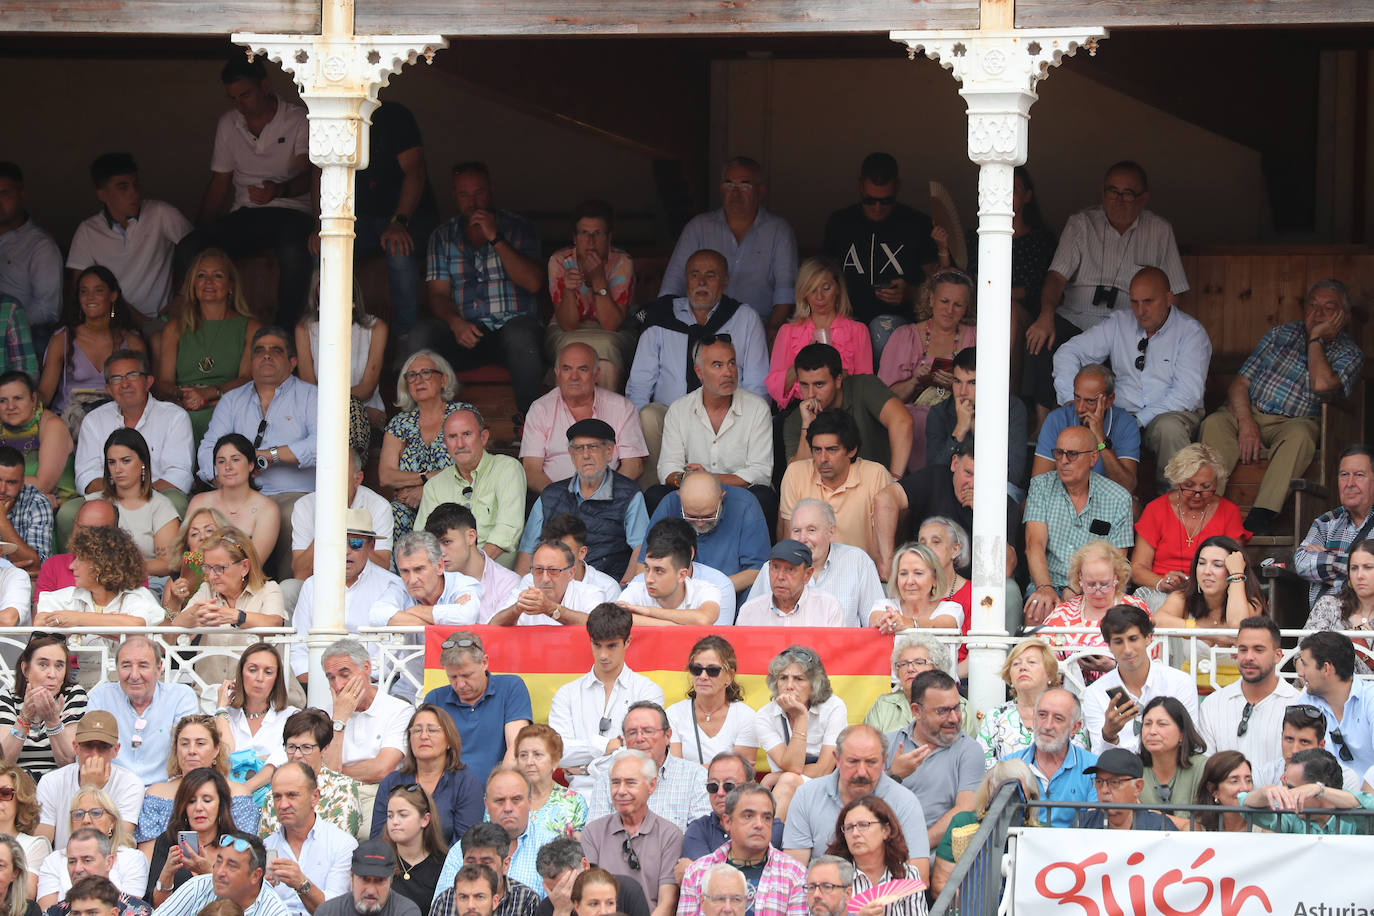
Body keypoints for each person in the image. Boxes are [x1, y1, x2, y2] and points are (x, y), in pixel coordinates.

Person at [1201, 279, 1364, 535]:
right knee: (1214, 423)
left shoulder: (1349, 352)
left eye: (1329, 307)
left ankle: (1260, 517)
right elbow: (1239, 384)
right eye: (1313, 305)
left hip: (1294, 422)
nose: (1318, 313)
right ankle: (1207, 511)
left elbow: (1323, 385)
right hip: (1250, 412)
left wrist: (1316, 340)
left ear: (1345, 316)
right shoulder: (1280, 333)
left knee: (1301, 436)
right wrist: (1246, 423)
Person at [181, 56, 314, 326]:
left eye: (246, 95)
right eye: (234, 98)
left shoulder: (298, 118)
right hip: (246, 214)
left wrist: (279, 190)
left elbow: (309, 176)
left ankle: (284, 333)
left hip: (292, 213)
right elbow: (220, 182)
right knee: (189, 248)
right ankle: (197, 328)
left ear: (265, 86)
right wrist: (199, 229)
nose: (241, 105)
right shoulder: (229, 123)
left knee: (294, 251)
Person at [1053, 267, 1210, 478]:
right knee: (1092, 419)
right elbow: (1068, 352)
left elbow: (1187, 394)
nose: (1140, 310)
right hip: (1121, 414)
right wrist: (1068, 400)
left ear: (1168, 298)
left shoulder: (1191, 332)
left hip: (1171, 413)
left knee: (1168, 428)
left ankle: (1174, 502)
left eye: (1148, 301)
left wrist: (1137, 421)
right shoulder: (1120, 322)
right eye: (1134, 302)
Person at [628, 250, 769, 484]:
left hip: (727, 417)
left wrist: (744, 419)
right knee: (647, 415)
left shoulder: (744, 318)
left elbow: (757, 385)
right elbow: (639, 385)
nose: (701, 282)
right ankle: (657, 494)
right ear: (686, 279)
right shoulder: (661, 316)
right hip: (672, 418)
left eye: (710, 275)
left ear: (725, 282)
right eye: (695, 274)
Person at [420, 161, 545, 414]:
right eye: (464, 195)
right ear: (454, 196)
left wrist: (495, 237)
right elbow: (438, 294)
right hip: (464, 331)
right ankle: (419, 426)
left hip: (511, 328)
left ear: (491, 191)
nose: (473, 202)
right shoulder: (442, 236)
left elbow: (533, 282)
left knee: (522, 337)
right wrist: (455, 322)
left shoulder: (518, 227)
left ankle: (530, 427)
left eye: (479, 193)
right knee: (420, 336)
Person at [1027, 161, 1187, 348]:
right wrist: (1045, 315)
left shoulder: (1159, 230)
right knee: (1038, 342)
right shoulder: (1080, 224)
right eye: (1113, 191)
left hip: (1130, 327)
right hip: (1074, 321)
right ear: (1103, 193)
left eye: (1127, 194)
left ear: (1143, 198)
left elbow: (1175, 292)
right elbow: (1056, 277)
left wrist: (1160, 333)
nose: (1118, 200)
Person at [197, 326, 318, 572]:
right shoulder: (232, 399)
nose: (266, 355)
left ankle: (285, 593)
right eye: (259, 350)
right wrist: (228, 477)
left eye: (276, 351)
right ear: (251, 361)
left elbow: (324, 444)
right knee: (202, 514)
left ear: (292, 362)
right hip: (238, 492)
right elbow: (208, 447)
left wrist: (270, 455)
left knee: (292, 516)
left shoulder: (311, 396)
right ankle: (207, 593)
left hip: (292, 493)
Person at [64, 350, 193, 548]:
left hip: (156, 493)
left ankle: (171, 569)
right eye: (116, 378)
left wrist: (137, 495)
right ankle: (77, 570)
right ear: (108, 388)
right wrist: (120, 495)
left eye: (132, 375)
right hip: (108, 494)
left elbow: (179, 474)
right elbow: (87, 475)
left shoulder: (174, 416)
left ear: (148, 381)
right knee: (68, 512)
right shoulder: (94, 420)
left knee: (175, 501)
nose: (125, 384)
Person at [659, 157, 797, 335]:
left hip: (757, 329)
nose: (735, 193)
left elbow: (785, 291)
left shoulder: (778, 231)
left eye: (745, 185)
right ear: (721, 190)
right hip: (699, 327)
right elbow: (672, 285)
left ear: (760, 191)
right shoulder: (699, 227)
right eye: (729, 185)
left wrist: (772, 330)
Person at [821, 152, 939, 353]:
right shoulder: (840, 223)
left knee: (881, 330)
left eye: (886, 201)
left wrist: (911, 293)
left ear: (897, 188)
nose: (877, 208)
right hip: (847, 317)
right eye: (869, 200)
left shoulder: (916, 224)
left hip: (898, 322)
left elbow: (938, 283)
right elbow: (820, 276)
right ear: (860, 187)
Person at [781, 726, 928, 882]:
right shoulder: (807, 795)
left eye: (871, 762)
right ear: (836, 759)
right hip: (821, 899)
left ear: (884, 761)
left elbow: (919, 878)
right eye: (853, 762)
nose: (862, 772)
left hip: (884, 902)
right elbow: (793, 875)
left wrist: (868, 904)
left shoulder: (904, 801)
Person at [1022, 425, 1134, 625]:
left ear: (1093, 458)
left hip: (1098, 586)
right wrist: (1045, 587)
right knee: (1038, 608)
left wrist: (1079, 589)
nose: (1063, 461)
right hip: (1049, 583)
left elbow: (1117, 561)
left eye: (1072, 454)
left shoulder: (1118, 498)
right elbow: (1034, 545)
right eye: (1059, 453)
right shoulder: (1041, 486)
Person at [547, 604, 664, 795]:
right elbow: (557, 753)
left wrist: (585, 768)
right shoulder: (566, 693)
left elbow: (642, 755)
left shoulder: (648, 691)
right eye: (597, 645)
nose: (603, 655)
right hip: (579, 799)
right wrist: (605, 746)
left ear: (627, 642)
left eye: (611, 646)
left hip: (632, 796)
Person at [65, 152, 192, 329]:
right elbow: (80, 291)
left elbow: (202, 254)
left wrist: (181, 297)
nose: (134, 193)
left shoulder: (161, 214)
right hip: (114, 325)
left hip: (162, 322)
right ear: (102, 194)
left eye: (135, 184)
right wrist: (132, 317)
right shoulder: (88, 231)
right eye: (123, 187)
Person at [345, 101, 438, 339]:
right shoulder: (335, 115)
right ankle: (331, 334)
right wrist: (319, 226)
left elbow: (415, 171)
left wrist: (399, 222)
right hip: (360, 217)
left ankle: (406, 338)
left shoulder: (393, 115)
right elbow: (319, 174)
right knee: (324, 251)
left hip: (404, 214)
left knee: (399, 251)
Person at [655, 339, 774, 524]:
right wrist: (685, 479)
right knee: (656, 495)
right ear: (699, 372)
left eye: (732, 363)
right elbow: (668, 468)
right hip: (691, 493)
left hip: (738, 495)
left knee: (763, 496)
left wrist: (708, 479)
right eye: (717, 365)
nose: (728, 372)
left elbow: (761, 473)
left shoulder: (757, 408)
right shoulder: (679, 409)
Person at [516, 418, 647, 581]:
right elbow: (528, 550)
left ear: (609, 452)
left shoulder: (628, 494)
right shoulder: (550, 495)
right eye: (578, 448)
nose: (585, 455)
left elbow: (641, 550)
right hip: (555, 587)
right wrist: (523, 588)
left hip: (607, 589)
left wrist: (623, 590)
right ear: (571, 454)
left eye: (593, 447)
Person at [153, 249, 258, 447]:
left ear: (230, 286)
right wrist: (182, 395)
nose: (208, 282)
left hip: (228, 405)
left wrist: (211, 393)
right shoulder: (175, 328)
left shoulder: (249, 327)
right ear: (193, 284)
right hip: (183, 406)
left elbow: (247, 378)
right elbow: (164, 382)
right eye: (201, 275)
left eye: (217, 275)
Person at [290, 513, 409, 683]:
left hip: (373, 684)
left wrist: (364, 679)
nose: (346, 551)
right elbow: (299, 643)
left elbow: (396, 649)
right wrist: (316, 681)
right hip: (317, 682)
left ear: (371, 546)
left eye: (355, 543)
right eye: (339, 543)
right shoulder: (312, 585)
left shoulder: (392, 585)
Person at [878, 270, 976, 475]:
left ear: (967, 307)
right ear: (931, 299)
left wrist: (957, 385)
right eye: (944, 301)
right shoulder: (905, 336)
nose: (950, 310)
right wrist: (916, 381)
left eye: (958, 305)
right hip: (912, 416)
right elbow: (883, 399)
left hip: (960, 413)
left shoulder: (976, 336)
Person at [1131, 446, 1251, 612]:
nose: (1197, 494)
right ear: (1177, 481)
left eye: (1206, 486)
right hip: (1160, 590)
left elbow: (1234, 564)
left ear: (1217, 482)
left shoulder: (1229, 512)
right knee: (1159, 603)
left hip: (1209, 591)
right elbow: (1137, 568)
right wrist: (1161, 582)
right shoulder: (1156, 509)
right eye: (1189, 486)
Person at [520, 343, 646, 495]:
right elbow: (531, 470)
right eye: (567, 369)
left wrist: (603, 495)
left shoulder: (622, 407)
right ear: (557, 373)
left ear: (596, 374)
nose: (574, 377)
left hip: (608, 500)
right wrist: (562, 498)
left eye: (583, 369)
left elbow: (633, 465)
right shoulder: (540, 409)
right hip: (556, 500)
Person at [169, 529, 285, 688]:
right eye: (207, 568)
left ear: (244, 566)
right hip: (209, 695)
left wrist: (237, 616)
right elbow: (175, 628)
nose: (211, 576)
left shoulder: (269, 590)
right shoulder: (206, 590)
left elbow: (274, 624)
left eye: (219, 568)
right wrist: (194, 615)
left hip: (261, 695)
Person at [747, 500, 884, 630]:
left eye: (811, 530)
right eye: (796, 531)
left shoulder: (858, 562)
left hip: (842, 652)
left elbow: (876, 621)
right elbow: (749, 621)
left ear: (831, 531)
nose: (802, 539)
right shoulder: (773, 569)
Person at [412, 407, 526, 564]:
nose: (460, 444)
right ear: (445, 443)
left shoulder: (507, 468)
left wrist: (473, 566)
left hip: (496, 574)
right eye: (452, 437)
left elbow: (508, 529)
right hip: (449, 574)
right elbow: (423, 539)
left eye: (466, 434)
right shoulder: (434, 485)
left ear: (483, 437)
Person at [882, 670, 981, 848]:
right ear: (916, 711)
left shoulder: (969, 750)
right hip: (884, 848)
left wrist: (915, 848)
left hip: (939, 851)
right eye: (942, 711)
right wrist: (894, 775)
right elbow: (860, 802)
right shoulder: (888, 744)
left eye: (957, 708)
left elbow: (965, 810)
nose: (954, 718)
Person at [38, 268, 146, 431]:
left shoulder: (131, 341)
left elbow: (142, 393)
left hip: (119, 423)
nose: (90, 297)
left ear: (113, 296)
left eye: (98, 290)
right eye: (84, 291)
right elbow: (45, 395)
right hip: (70, 423)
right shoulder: (63, 339)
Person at [1081, 605, 1199, 753]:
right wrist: (1109, 735)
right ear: (1109, 646)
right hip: (1120, 773)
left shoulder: (1179, 682)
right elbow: (1100, 758)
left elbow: (1190, 742)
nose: (1127, 649)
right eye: (1118, 641)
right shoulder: (1095, 692)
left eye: (1133, 639)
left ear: (1149, 638)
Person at [432, 767, 560, 903]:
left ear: (530, 801)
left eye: (516, 800)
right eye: (500, 800)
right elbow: (443, 906)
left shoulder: (553, 848)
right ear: (486, 804)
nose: (508, 808)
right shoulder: (461, 850)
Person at [545, 200, 636, 391]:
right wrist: (569, 290)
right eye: (584, 233)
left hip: (612, 331)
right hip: (568, 329)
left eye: (598, 233)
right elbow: (568, 325)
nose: (591, 241)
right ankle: (568, 420)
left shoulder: (621, 262)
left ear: (609, 237)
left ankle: (605, 419)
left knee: (607, 349)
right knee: (570, 347)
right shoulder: (560, 261)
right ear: (575, 237)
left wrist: (598, 279)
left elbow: (611, 325)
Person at [782, 345, 911, 478]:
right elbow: (796, 476)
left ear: (838, 380)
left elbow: (902, 422)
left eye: (819, 384)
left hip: (880, 489)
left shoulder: (864, 386)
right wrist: (807, 425)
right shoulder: (796, 419)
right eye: (804, 385)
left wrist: (894, 481)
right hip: (828, 496)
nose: (810, 394)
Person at [86, 638, 199, 788]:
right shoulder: (101, 696)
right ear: (117, 668)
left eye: (143, 666)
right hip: (113, 791)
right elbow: (88, 751)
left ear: (159, 669)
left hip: (164, 791)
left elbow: (189, 751)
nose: (134, 675)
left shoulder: (180, 697)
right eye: (126, 666)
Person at [422, 633, 531, 787]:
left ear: (484, 662)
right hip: (448, 795)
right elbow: (427, 758)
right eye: (452, 677)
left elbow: (516, 748)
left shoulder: (511, 687)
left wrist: (498, 793)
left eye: (467, 675)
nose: (460, 684)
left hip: (499, 793)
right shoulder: (435, 698)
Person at [579, 751, 682, 916]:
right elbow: (588, 896)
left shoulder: (669, 835)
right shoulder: (594, 832)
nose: (621, 791)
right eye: (615, 782)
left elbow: (667, 902)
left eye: (630, 783)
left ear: (651, 785)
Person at [678, 786, 806, 916]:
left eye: (767, 818)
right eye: (748, 816)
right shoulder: (696, 873)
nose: (759, 824)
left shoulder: (794, 874)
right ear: (727, 821)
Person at [1154, 536, 1264, 688]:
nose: (1207, 571)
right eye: (1202, 563)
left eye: (1218, 565)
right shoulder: (1183, 597)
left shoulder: (1251, 602)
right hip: (1191, 691)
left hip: (1239, 693)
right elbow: (1158, 621)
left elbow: (1238, 625)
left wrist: (1237, 575)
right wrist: (1212, 634)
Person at [778, 411, 891, 556]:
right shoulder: (795, 473)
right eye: (817, 450)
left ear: (852, 451)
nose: (823, 458)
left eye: (832, 450)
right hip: (809, 573)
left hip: (859, 573)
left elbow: (882, 548)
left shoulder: (876, 475)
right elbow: (791, 542)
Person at [133, 722, 258, 852]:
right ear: (176, 750)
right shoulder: (156, 794)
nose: (192, 751)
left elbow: (243, 854)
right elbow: (149, 857)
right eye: (185, 744)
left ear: (216, 749)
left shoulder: (238, 795)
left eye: (200, 744)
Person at [369, 705, 482, 847]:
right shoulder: (391, 782)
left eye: (432, 730)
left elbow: (465, 846)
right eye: (417, 730)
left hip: (447, 867)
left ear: (449, 740)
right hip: (395, 867)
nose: (423, 736)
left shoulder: (466, 783)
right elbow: (378, 840)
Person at [34, 527, 162, 653]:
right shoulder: (72, 595)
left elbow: (136, 625)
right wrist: (104, 625)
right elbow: (40, 622)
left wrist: (76, 619)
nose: (72, 566)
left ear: (103, 565)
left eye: (81, 559)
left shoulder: (135, 595)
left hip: (127, 674)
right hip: (83, 674)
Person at [585, 702, 709, 831]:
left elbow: (701, 838)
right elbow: (595, 838)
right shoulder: (607, 780)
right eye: (632, 733)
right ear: (624, 740)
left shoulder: (695, 776)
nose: (639, 738)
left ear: (667, 736)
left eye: (648, 731)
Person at [294, 275, 388, 442]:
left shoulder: (375, 328)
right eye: (324, 284)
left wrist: (353, 412)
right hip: (322, 419)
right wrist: (359, 412)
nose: (332, 289)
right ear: (316, 292)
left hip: (364, 423)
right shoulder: (305, 330)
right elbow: (310, 390)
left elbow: (367, 388)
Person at [767, 258, 872, 407]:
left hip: (844, 410)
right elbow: (774, 387)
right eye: (812, 289)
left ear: (838, 289)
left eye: (826, 288)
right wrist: (804, 362)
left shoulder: (858, 331)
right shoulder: (788, 332)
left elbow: (868, 387)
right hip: (800, 408)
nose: (819, 297)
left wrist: (838, 374)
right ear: (803, 293)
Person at [922, 347, 1028, 496]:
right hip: (952, 491)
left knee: (1009, 492)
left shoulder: (1012, 408)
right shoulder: (939, 412)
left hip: (997, 491)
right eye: (957, 381)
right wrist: (959, 431)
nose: (963, 391)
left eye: (972, 383)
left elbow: (1013, 475)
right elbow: (932, 475)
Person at [641, 475, 770, 596]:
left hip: (730, 594)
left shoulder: (745, 505)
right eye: (691, 516)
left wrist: (704, 592)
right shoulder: (669, 503)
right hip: (674, 596)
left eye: (709, 516)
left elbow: (757, 571)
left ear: (722, 497)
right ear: (679, 498)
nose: (700, 523)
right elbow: (643, 564)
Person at [379, 351, 462, 539]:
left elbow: (468, 466)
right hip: (408, 505)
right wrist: (426, 477)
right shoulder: (400, 422)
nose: (418, 380)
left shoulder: (461, 414)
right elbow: (386, 476)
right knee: (393, 513)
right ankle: (401, 569)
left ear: (443, 379)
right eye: (412, 375)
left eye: (426, 373)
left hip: (453, 501)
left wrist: (426, 490)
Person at [1039, 540, 1148, 683]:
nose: (1098, 591)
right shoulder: (1062, 613)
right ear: (1080, 578)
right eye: (1090, 585)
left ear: (1116, 577)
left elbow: (1151, 662)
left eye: (1104, 584)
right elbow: (1041, 657)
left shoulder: (1136, 609)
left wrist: (1115, 667)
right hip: (1069, 696)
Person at [1197, 615, 1300, 763]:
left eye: (1258, 650)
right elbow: (1204, 766)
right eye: (1243, 649)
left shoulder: (1297, 703)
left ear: (1278, 656)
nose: (1249, 657)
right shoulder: (1213, 704)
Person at [930, 760, 1041, 896]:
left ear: (1030, 793)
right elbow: (940, 885)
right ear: (989, 788)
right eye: (1001, 788)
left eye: (1016, 790)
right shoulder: (963, 823)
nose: (1008, 797)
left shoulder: (1042, 833)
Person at [261, 762, 356, 916]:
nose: (283, 805)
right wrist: (260, 892)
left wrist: (302, 884)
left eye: (292, 795)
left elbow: (336, 911)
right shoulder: (265, 847)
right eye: (277, 796)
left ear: (315, 797)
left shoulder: (342, 844)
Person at [975, 639, 1087, 769]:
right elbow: (983, 769)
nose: (1022, 667)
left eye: (1031, 662)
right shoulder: (994, 717)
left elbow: (1079, 762)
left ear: (1050, 674)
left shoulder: (1069, 712)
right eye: (1016, 664)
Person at [1031, 364, 1140, 493]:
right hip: (1063, 498)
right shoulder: (1057, 419)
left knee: (1133, 508)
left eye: (1090, 401)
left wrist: (1100, 439)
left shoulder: (1126, 423)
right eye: (1077, 397)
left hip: (1106, 501)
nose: (1080, 408)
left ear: (1109, 400)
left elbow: (1127, 488)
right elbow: (1039, 484)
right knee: (1027, 505)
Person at [320, 641, 410, 791]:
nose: (338, 685)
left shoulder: (399, 710)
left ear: (366, 668)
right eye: (331, 678)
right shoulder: (326, 715)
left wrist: (337, 772)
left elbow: (382, 769)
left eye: (344, 675)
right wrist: (339, 720)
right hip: (336, 794)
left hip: (381, 793)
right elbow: (325, 774)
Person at [143, 768, 242, 905]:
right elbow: (156, 908)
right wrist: (167, 875)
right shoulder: (167, 841)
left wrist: (208, 872)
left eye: (207, 800)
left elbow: (244, 905)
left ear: (221, 805)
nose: (199, 808)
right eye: (191, 801)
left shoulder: (241, 844)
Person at [259, 711, 362, 840]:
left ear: (324, 748)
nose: (297, 755)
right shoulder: (273, 794)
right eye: (291, 747)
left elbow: (340, 842)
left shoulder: (342, 788)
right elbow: (266, 846)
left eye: (306, 747)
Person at [291, 452, 393, 581]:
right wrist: (328, 525)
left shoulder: (379, 506)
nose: (330, 484)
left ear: (357, 479)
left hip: (366, 583)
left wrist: (355, 543)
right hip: (320, 583)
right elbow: (301, 574)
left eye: (338, 477)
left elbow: (382, 566)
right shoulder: (304, 505)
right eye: (326, 475)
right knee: (289, 589)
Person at [756, 647, 847, 789]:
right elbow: (793, 766)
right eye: (783, 678)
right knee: (787, 782)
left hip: (825, 787)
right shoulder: (764, 716)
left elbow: (824, 770)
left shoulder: (834, 707)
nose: (789, 686)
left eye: (799, 679)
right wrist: (801, 717)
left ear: (814, 684)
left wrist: (774, 777)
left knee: (787, 780)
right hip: (784, 788)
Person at [213, 644, 300, 792]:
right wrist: (221, 709)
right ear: (241, 674)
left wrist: (243, 790)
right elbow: (225, 758)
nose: (259, 678)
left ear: (277, 678)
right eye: (252, 670)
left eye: (268, 672)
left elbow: (281, 762)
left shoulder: (291, 716)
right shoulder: (224, 717)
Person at [1007, 688, 1098, 829]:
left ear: (1075, 728)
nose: (1048, 726)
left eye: (1058, 718)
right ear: (1034, 718)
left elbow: (1095, 826)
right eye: (1042, 715)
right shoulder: (1009, 766)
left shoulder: (1094, 767)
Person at [1296, 445, 1374, 606]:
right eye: (1344, 475)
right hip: (1325, 624)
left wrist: (1334, 577)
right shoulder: (1325, 522)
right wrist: (1360, 568)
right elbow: (1301, 562)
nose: (1350, 483)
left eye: (1359, 475)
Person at [185, 436, 281, 566]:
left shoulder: (267, 508)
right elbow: (191, 556)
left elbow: (254, 565)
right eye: (221, 461)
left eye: (235, 460)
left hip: (248, 581)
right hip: (200, 579)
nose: (228, 467)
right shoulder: (199, 502)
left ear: (251, 464)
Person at [0, 633, 84, 782]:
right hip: (16, 787)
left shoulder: (74, 696)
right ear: (25, 669)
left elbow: (69, 762)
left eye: (59, 666)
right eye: (43, 665)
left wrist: (53, 723)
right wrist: (24, 718)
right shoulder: (7, 698)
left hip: (59, 785)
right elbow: (4, 762)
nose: (52, 674)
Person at [35, 788, 144, 902]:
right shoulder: (53, 860)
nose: (86, 820)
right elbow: (47, 910)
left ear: (112, 821)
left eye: (96, 813)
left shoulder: (132, 859)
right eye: (78, 814)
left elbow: (130, 908)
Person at [97, 428, 179, 578]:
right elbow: (78, 553)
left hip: (145, 586)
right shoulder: (94, 504)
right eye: (112, 462)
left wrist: (122, 568)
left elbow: (167, 563)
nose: (118, 469)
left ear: (143, 462)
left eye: (126, 461)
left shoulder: (161, 506)